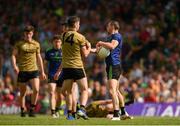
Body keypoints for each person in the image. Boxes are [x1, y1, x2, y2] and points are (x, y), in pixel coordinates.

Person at [96, 21, 132, 120]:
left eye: (108, 26)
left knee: (112, 91)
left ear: (112, 26)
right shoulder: (109, 38)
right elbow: (102, 51)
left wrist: (101, 43)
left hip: (113, 65)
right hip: (112, 65)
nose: (107, 27)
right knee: (116, 90)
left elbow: (112, 46)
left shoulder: (116, 36)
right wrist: (89, 49)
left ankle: (116, 115)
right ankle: (124, 113)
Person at [60, 16, 91, 120]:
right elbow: (85, 54)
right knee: (85, 90)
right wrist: (89, 47)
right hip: (77, 66)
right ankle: (81, 109)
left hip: (66, 68)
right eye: (79, 24)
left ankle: (70, 115)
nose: (79, 25)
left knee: (68, 92)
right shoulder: (80, 37)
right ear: (76, 24)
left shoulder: (63, 36)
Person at [11, 25, 46, 117]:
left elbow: (39, 58)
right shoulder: (19, 44)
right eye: (26, 33)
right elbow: (13, 55)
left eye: (30, 33)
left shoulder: (36, 44)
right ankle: (22, 110)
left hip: (34, 70)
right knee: (23, 92)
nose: (28, 35)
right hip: (22, 70)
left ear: (32, 34)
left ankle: (32, 109)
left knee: (36, 90)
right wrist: (15, 66)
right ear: (24, 34)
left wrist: (42, 71)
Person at [45, 35, 64, 118]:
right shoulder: (48, 51)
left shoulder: (64, 51)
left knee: (59, 95)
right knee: (52, 92)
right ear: (53, 42)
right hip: (51, 74)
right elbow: (45, 63)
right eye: (55, 41)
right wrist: (44, 73)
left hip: (62, 75)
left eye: (59, 41)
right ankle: (53, 112)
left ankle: (57, 109)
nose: (57, 43)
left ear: (61, 42)